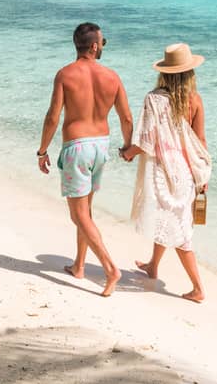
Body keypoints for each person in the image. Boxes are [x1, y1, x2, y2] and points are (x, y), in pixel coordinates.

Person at [37, 21, 134, 297]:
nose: (103, 45)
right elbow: (126, 118)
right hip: (100, 147)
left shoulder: (65, 75)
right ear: (94, 46)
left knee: (78, 215)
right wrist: (127, 146)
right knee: (86, 213)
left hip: (77, 147)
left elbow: (52, 117)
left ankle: (109, 268)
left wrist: (42, 150)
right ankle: (79, 265)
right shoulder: (112, 77)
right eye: (103, 42)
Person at [123, 43, 211, 303]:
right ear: (189, 72)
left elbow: (147, 141)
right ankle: (153, 266)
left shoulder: (154, 98)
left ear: (165, 72)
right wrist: (203, 177)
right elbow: (201, 142)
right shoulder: (195, 100)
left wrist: (128, 153)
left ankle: (198, 288)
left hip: (163, 173)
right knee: (169, 220)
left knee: (181, 235)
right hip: (186, 172)